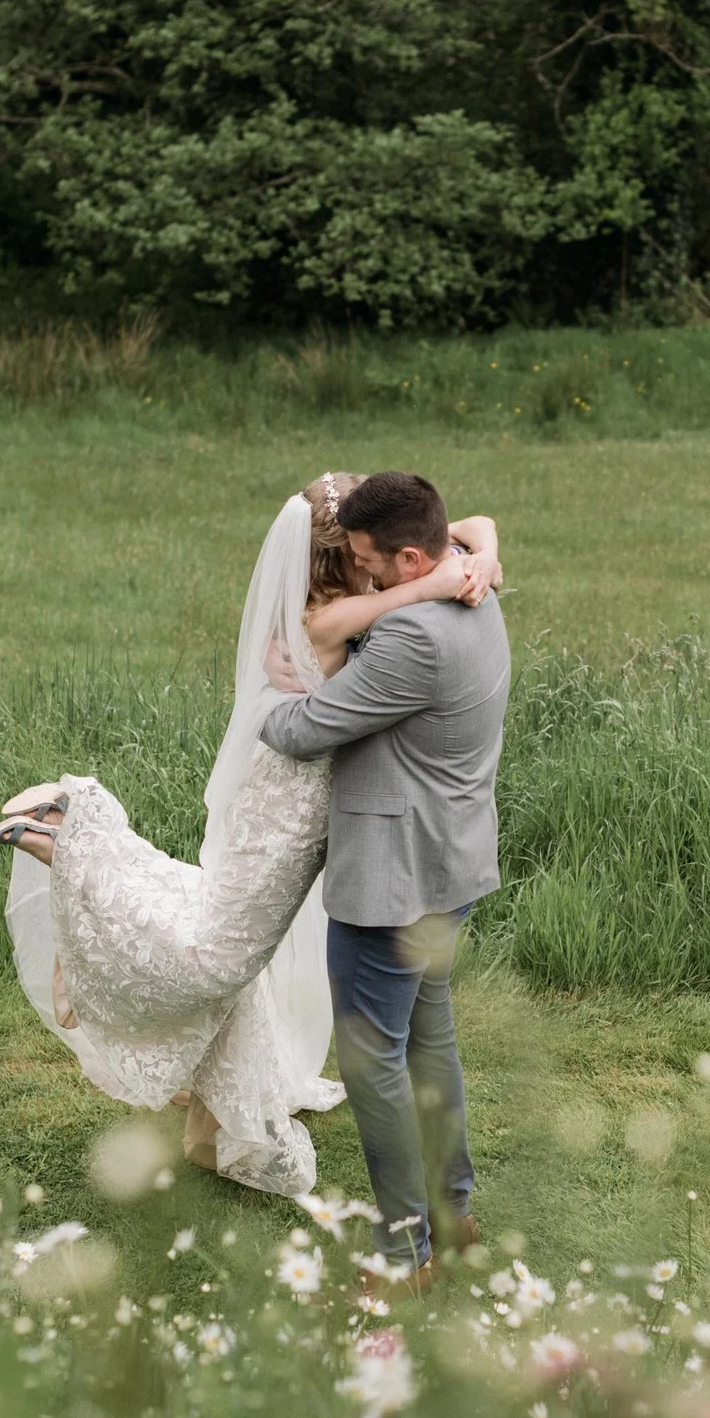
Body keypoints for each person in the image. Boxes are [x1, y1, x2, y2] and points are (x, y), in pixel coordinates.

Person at [0, 474, 500, 1197]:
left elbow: (465, 527)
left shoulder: (398, 596)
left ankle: (77, 843)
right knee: (220, 954)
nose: (372, 565)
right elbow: (314, 698)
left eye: (375, 555)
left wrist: (480, 553)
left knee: (221, 942)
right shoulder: (346, 615)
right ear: (348, 558)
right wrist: (450, 574)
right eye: (360, 555)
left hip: (339, 831)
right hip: (303, 807)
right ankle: (76, 848)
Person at [258, 471, 511, 1285]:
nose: (359, 571)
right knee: (429, 1042)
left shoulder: (413, 637)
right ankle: (452, 1212)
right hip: (451, 862)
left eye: (368, 560)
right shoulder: (472, 580)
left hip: (394, 882)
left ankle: (406, 1253)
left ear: (410, 559)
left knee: (374, 1066)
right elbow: (476, 524)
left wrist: (268, 694)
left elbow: (306, 730)